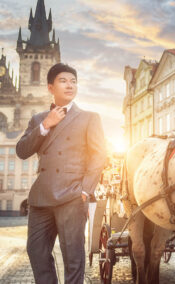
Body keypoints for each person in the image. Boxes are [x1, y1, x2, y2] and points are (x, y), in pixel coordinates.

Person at [16, 63, 106, 284]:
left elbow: (99, 155)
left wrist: (85, 190)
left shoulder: (89, 117)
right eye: (63, 81)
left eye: (73, 81)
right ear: (50, 87)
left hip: (72, 195)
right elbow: (22, 150)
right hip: (41, 198)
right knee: (36, 252)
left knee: (73, 258)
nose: (70, 85)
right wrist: (46, 125)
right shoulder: (38, 119)